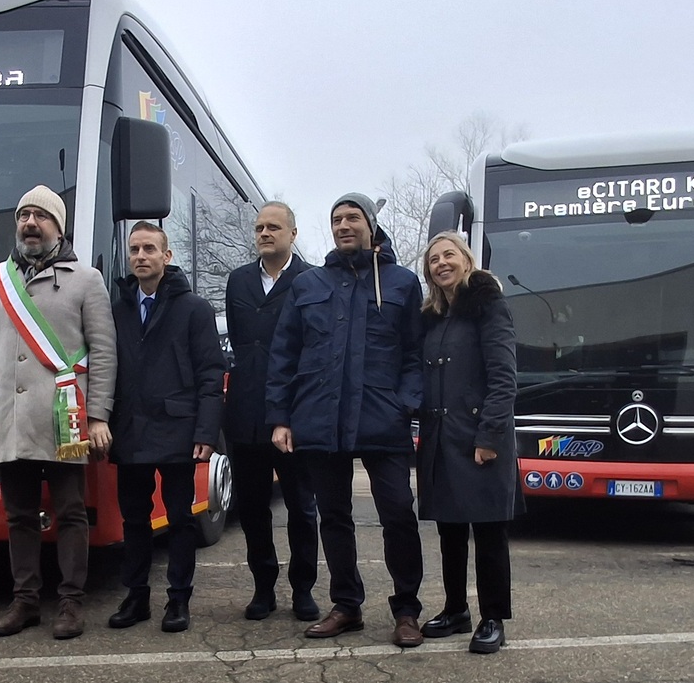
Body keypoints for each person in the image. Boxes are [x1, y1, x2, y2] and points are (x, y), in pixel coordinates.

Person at [264, 193, 425, 647]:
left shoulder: (401, 283)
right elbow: (284, 355)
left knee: (397, 513)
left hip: (382, 419)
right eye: (336, 219)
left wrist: (405, 403)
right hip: (319, 418)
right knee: (333, 516)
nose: (344, 225)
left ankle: (407, 609)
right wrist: (280, 417)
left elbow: (415, 354)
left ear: (371, 226)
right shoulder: (310, 284)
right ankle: (346, 605)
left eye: (353, 218)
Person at [0, 185, 116, 640]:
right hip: (8, 416)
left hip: (64, 417)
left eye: (40, 216)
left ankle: (70, 603)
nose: (30, 223)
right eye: (23, 215)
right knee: (19, 515)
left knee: (71, 511)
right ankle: (25, 601)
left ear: (58, 226)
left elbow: (105, 352)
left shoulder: (87, 279)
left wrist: (99, 416)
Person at [105, 222, 225, 633]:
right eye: (135, 249)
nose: (141, 256)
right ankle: (136, 597)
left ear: (166, 256)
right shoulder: (116, 309)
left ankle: (178, 601)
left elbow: (211, 374)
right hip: (130, 431)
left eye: (150, 249)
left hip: (179, 433)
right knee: (134, 521)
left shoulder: (194, 309)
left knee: (179, 520)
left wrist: (205, 433)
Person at [415, 233, 522, 654]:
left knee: (489, 532)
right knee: (450, 530)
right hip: (442, 439)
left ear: (466, 260)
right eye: (434, 259)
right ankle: (457, 609)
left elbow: (503, 377)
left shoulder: (489, 306)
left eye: (449, 255)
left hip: (480, 439)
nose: (441, 263)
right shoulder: (434, 316)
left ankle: (492, 617)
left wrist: (490, 437)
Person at [223, 202, 319, 622]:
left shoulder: (312, 280)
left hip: (295, 415)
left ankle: (303, 589)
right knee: (253, 507)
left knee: (301, 506)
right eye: (259, 227)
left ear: (292, 234)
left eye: (273, 227)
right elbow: (241, 346)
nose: (264, 233)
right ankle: (264, 587)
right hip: (245, 412)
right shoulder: (238, 280)